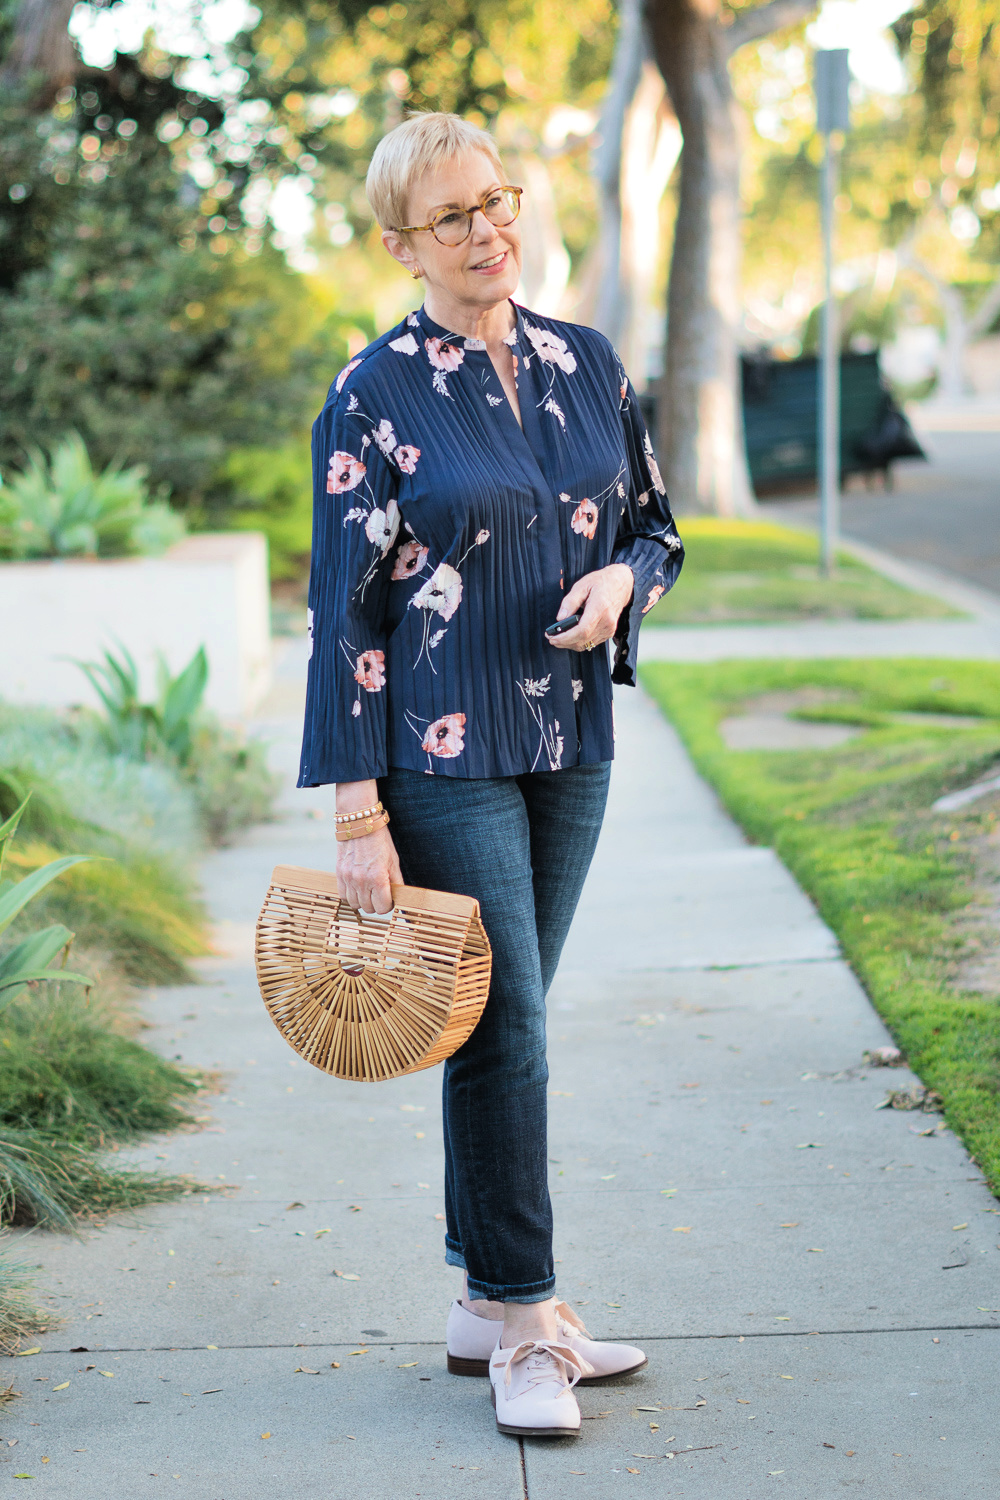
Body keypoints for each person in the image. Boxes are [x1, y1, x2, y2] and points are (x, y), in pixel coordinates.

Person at [299, 111, 683, 1440]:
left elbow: (658, 528)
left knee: (495, 1027)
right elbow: (342, 616)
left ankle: (481, 1303)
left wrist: (624, 578)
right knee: (509, 1027)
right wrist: (358, 809)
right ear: (402, 244)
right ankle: (529, 1325)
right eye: (452, 217)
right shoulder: (371, 394)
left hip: (569, 741)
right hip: (439, 756)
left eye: (497, 202)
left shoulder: (585, 363)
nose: (486, 231)